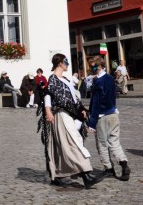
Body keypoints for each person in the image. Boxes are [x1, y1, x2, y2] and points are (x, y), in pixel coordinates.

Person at [40, 53, 101, 189]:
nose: (67, 64)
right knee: (72, 142)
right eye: (66, 61)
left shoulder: (66, 79)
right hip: (61, 114)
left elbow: (73, 99)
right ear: (60, 63)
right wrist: (48, 111)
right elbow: (48, 95)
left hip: (70, 113)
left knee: (67, 145)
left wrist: (81, 109)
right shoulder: (53, 79)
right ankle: (86, 174)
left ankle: (58, 174)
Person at [87, 59, 130, 180]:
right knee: (115, 142)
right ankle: (124, 164)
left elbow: (96, 103)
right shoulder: (110, 78)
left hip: (102, 116)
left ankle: (109, 169)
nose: (91, 69)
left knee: (102, 144)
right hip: (113, 114)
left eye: (93, 67)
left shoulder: (98, 82)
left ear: (100, 67)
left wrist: (92, 122)